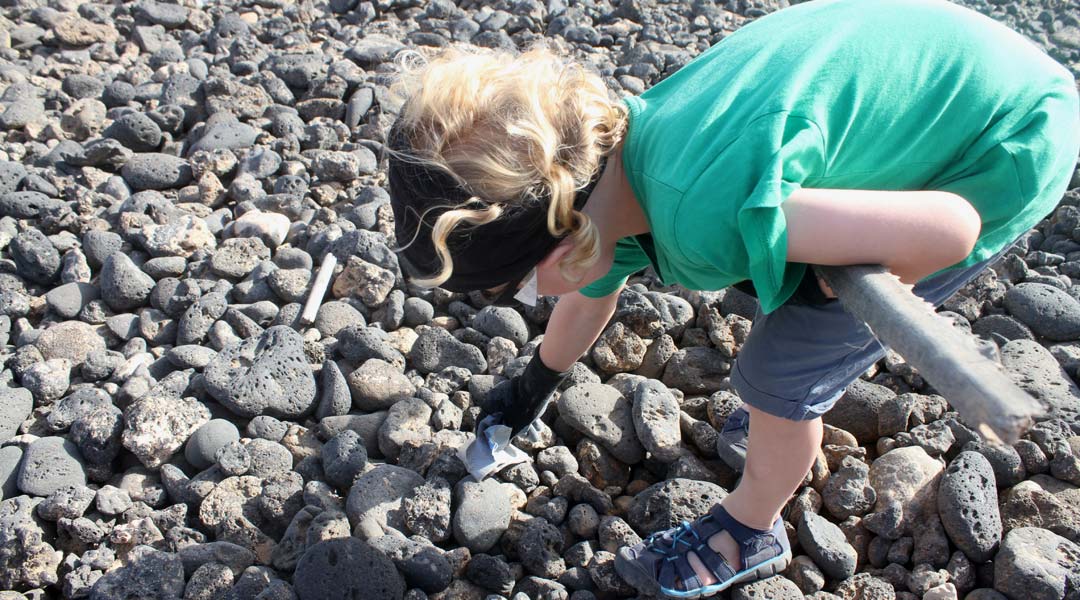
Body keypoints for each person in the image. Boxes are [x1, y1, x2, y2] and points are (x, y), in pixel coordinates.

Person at [384, 0, 1080, 596]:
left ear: (563, 248)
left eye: (519, 285)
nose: (528, 296)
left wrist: (808, 278)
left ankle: (751, 529)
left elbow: (951, 230)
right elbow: (592, 294)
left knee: (776, 373)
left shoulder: (709, 211)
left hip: (1002, 143)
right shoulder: (615, 163)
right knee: (767, 282)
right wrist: (535, 382)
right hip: (956, 63)